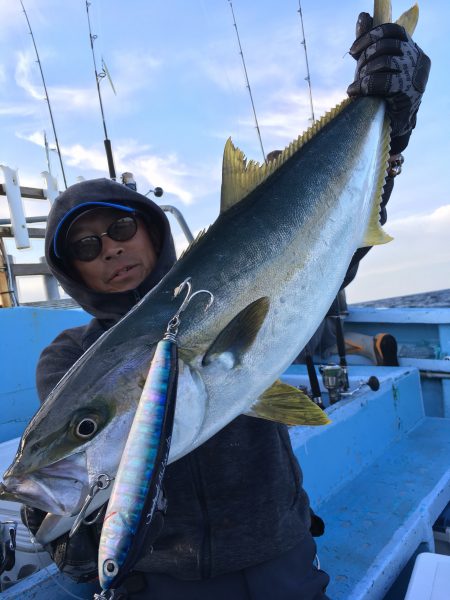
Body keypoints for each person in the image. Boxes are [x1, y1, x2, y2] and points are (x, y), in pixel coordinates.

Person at [22, 12, 430, 600]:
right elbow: (97, 463)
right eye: (86, 246)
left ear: (151, 231)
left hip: (276, 550)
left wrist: (391, 126)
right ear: (73, 270)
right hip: (162, 578)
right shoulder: (70, 359)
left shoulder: (223, 275)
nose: (110, 248)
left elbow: (319, 273)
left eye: (120, 227)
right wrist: (66, 518)